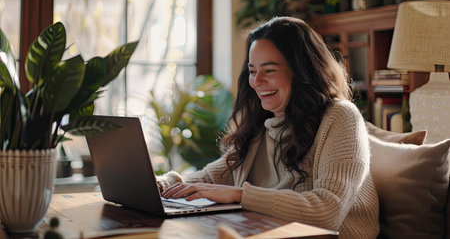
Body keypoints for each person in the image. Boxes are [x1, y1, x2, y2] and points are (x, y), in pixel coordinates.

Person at [157, 16, 379, 238]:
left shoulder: (341, 117)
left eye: (269, 70)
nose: (257, 81)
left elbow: (326, 211)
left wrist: (240, 195)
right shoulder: (260, 124)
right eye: (253, 71)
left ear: (302, 71)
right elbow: (209, 179)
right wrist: (163, 184)